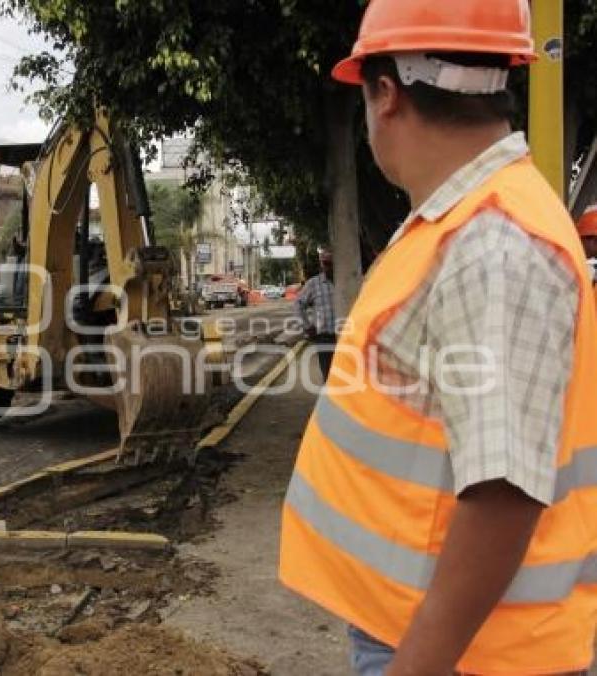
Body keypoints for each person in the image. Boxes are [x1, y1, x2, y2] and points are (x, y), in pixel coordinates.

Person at [280, 2, 597, 674]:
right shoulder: (458, 222)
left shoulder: (494, 246)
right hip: (426, 631)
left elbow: (505, 490)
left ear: (385, 95)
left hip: (464, 655)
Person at [295, 247, 336, 379]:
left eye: (331, 263)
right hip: (324, 337)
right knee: (329, 377)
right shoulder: (313, 284)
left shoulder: (348, 279)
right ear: (321, 264)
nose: (329, 267)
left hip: (348, 336)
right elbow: (298, 304)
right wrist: (307, 326)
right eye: (326, 263)